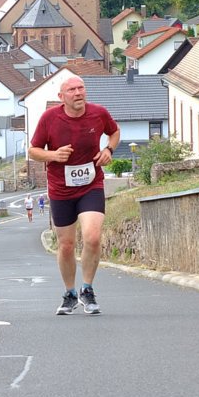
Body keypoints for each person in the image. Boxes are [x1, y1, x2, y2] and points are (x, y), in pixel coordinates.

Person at [29, 76, 119, 316]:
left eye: (81, 88)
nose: (78, 93)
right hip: (61, 188)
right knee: (67, 245)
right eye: (72, 90)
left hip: (91, 184)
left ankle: (87, 289)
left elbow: (114, 132)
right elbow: (33, 150)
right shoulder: (50, 119)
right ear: (62, 97)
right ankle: (69, 293)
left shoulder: (98, 113)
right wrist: (53, 156)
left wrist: (108, 149)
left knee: (92, 236)